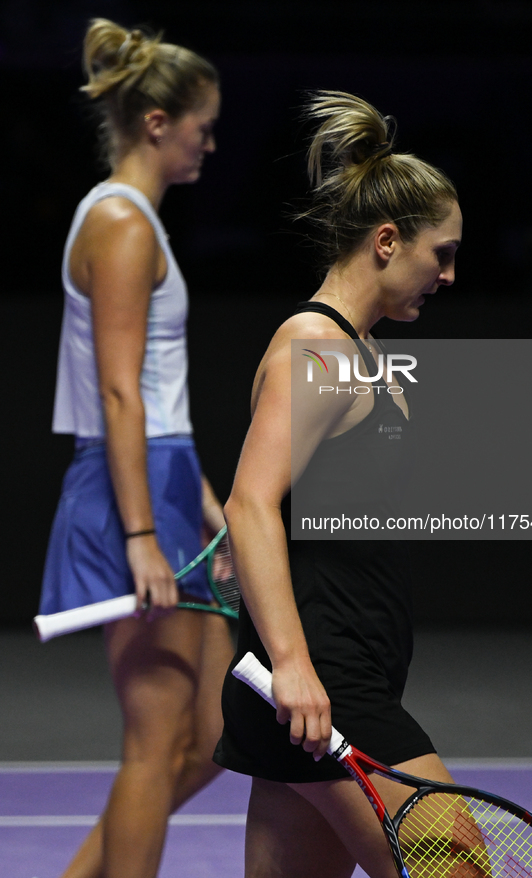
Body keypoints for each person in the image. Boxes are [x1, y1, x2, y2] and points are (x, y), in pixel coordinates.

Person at [213, 91, 463, 877]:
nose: (448, 276)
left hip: (330, 678)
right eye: (441, 254)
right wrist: (290, 664)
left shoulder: (362, 359)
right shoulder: (315, 345)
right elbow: (249, 502)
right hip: (324, 683)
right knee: (456, 868)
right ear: (386, 241)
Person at [38, 19, 234, 878]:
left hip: (167, 480)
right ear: (158, 123)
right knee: (156, 746)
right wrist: (144, 535)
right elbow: (119, 394)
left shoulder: (136, 223)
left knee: (215, 737)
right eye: (203, 126)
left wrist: (211, 510)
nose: (210, 143)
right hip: (133, 494)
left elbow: (157, 398)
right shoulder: (119, 224)